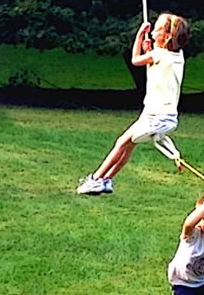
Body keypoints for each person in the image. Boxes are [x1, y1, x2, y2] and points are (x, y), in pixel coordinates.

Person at [77, 12, 190, 195]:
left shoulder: (159, 54)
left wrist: (139, 36)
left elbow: (135, 60)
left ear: (167, 36)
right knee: (128, 144)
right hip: (164, 116)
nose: (152, 31)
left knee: (122, 142)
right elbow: (156, 71)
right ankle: (107, 180)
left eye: (157, 29)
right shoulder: (176, 56)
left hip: (156, 116)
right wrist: (150, 51)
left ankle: (96, 179)